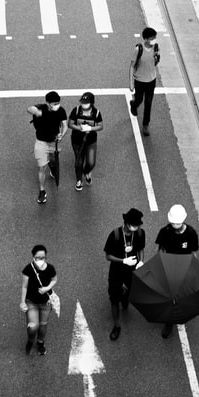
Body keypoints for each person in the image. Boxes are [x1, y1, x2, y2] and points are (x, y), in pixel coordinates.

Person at [155, 204, 199, 338]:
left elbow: (194, 252)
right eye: (173, 223)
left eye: (177, 223)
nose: (175, 225)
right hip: (169, 266)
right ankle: (169, 321)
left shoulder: (191, 233)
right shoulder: (165, 232)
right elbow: (160, 249)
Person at [103, 208, 144, 341]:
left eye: (137, 225)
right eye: (133, 225)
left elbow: (140, 248)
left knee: (133, 292)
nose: (135, 227)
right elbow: (108, 256)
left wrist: (141, 261)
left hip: (133, 270)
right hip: (117, 270)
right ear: (126, 223)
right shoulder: (115, 235)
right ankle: (116, 325)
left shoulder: (140, 233)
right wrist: (123, 260)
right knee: (114, 298)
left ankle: (125, 296)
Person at [26, 91, 68, 204]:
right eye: (54, 103)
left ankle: (53, 168)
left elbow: (65, 125)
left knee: (53, 162)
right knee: (41, 167)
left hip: (54, 143)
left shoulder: (61, 111)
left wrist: (62, 135)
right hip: (41, 143)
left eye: (58, 102)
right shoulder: (41, 108)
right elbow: (30, 108)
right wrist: (36, 111)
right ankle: (42, 191)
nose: (56, 105)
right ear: (48, 103)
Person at [20, 244, 57, 356]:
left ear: (46, 257)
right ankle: (31, 341)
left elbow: (54, 280)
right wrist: (22, 302)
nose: (40, 260)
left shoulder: (50, 268)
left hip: (46, 303)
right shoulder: (28, 269)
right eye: (38, 258)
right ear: (33, 257)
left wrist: (47, 288)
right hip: (31, 302)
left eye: (43, 258)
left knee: (43, 325)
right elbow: (24, 286)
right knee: (33, 326)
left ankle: (40, 343)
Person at [68, 91, 103, 190]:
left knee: (91, 162)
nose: (83, 104)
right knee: (79, 160)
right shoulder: (76, 110)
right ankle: (79, 180)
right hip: (77, 140)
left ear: (91, 103)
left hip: (91, 141)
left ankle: (87, 172)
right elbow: (70, 124)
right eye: (82, 102)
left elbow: (101, 126)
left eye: (86, 103)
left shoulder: (96, 113)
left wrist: (90, 129)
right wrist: (80, 128)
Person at [129, 27, 160, 136]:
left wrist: (156, 58)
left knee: (148, 103)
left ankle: (146, 124)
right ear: (146, 39)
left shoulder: (155, 47)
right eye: (152, 38)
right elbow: (132, 66)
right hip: (140, 80)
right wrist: (131, 83)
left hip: (151, 80)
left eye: (155, 38)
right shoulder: (139, 49)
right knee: (139, 99)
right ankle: (134, 104)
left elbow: (155, 62)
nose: (154, 40)